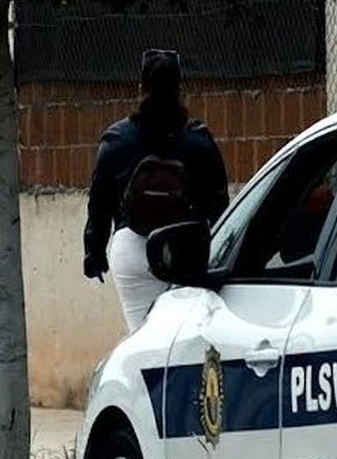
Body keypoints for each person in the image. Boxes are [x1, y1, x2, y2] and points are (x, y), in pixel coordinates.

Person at [84, 49, 229, 330]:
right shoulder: (198, 139)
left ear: (141, 87)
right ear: (180, 88)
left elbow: (99, 203)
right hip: (186, 250)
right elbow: (219, 204)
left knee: (143, 341)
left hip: (133, 249)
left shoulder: (117, 139)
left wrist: (94, 252)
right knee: (187, 342)